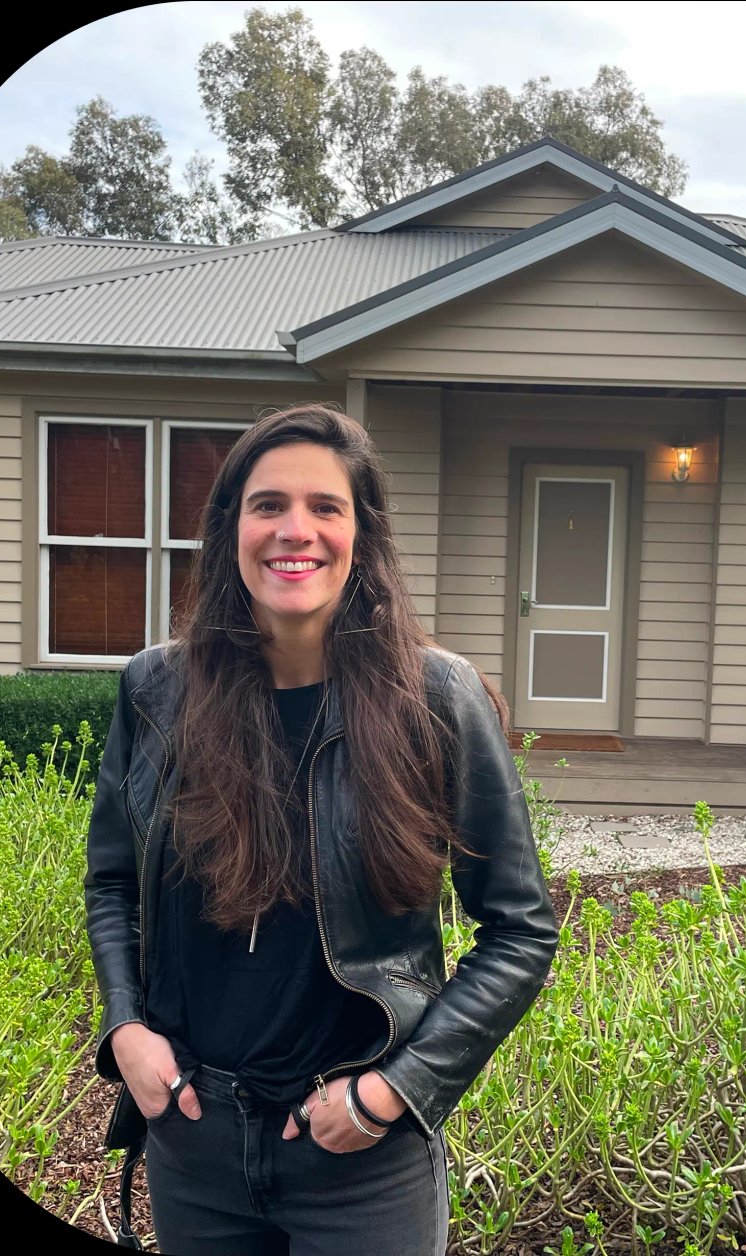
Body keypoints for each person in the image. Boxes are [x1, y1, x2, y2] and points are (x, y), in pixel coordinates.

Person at [84, 404, 559, 1255]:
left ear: (361, 534)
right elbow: (113, 880)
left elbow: (520, 930)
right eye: (266, 504)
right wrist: (126, 1031)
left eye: (324, 507)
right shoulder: (157, 691)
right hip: (193, 1140)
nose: (292, 530)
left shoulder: (435, 701)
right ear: (230, 526)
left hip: (359, 1162)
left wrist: (394, 1093)